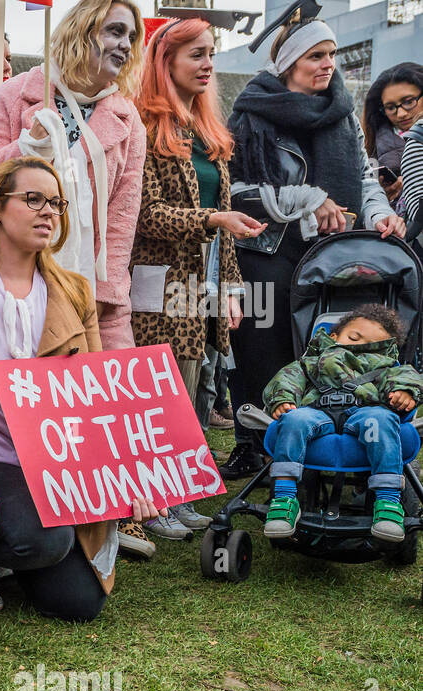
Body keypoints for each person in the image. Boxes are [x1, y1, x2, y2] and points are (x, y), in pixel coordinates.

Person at [0, 157, 164, 621]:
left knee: (78, 604)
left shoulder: (75, 291)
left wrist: (131, 476)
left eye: (56, 203)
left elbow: (95, 396)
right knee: (41, 539)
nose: (49, 211)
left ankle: (17, 545)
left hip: (54, 461)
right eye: (33, 199)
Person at [226, 13, 406, 480]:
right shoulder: (251, 113)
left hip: (329, 251)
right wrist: (309, 198)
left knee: (318, 344)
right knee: (257, 345)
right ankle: (253, 443)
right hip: (263, 251)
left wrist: (379, 212)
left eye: (331, 55)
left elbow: (364, 178)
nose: (328, 64)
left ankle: (319, 441)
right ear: (288, 64)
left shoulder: (341, 111)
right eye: (315, 56)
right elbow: (234, 189)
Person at [130, 18, 265, 540]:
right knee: (158, 396)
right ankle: (150, 503)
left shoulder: (206, 128)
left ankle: (176, 495)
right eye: (197, 55)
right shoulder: (144, 126)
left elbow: (225, 219)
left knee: (192, 394)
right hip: (157, 283)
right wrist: (211, 221)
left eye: (211, 54)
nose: (209, 64)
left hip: (203, 280)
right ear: (166, 62)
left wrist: (230, 285)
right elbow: (146, 215)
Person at [0, 0, 147, 353]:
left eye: (132, 36)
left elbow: (123, 219)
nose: (126, 44)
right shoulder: (16, 94)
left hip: (90, 296)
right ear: (82, 32)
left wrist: (101, 297)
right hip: (10, 289)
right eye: (115, 31)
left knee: (96, 400)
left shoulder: (129, 120)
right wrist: (25, 147)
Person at [262, 304, 422, 542]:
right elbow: (287, 378)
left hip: (365, 413)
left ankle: (388, 502)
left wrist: (404, 391)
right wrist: (282, 399)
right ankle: (285, 499)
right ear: (334, 335)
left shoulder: (385, 366)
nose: (359, 346)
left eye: (371, 346)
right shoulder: (312, 361)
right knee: (294, 418)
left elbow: (406, 376)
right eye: (354, 337)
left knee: (382, 418)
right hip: (315, 412)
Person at [361, 63, 423, 212]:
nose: (401, 114)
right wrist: (380, 197)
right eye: (390, 107)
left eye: (408, 102)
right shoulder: (368, 150)